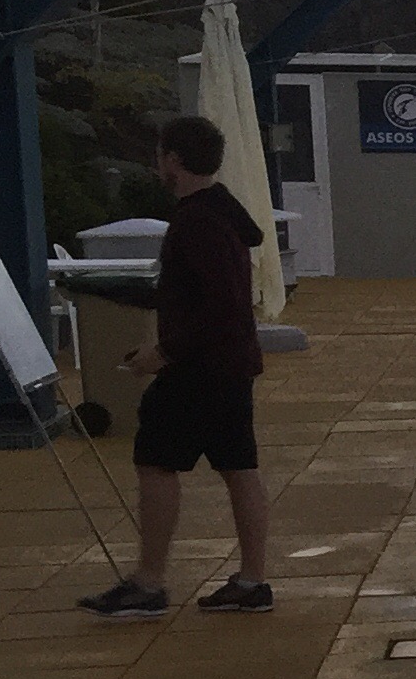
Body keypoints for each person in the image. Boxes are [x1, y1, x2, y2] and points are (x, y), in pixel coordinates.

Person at [79, 115, 274, 620]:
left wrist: (162, 354)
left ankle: (149, 582)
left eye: (159, 155)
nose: (156, 164)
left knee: (156, 462)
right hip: (231, 365)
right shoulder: (222, 212)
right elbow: (205, 295)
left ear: (173, 160)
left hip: (197, 369)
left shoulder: (196, 222)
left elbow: (220, 304)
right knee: (239, 467)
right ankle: (252, 580)